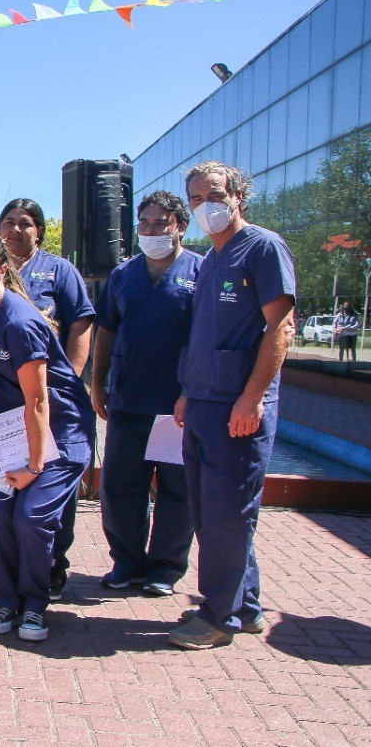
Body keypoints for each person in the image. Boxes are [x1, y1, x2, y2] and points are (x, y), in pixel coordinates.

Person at [169, 161, 295, 650]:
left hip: (237, 407)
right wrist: (188, 390)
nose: (207, 207)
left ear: (238, 195)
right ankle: (244, 604)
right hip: (204, 401)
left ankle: (219, 616)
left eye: (215, 195)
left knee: (227, 514)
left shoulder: (262, 248)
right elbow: (203, 333)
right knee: (211, 512)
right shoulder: (211, 259)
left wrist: (252, 396)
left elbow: (281, 327)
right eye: (196, 199)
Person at [0, 231, 95, 643]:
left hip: (58, 433)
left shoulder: (19, 321)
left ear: (3, 269)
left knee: (31, 516)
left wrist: (34, 466)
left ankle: (34, 605)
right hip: (9, 434)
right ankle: (8, 600)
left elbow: (37, 400)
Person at [0, 198, 95, 599]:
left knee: (48, 490)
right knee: (5, 485)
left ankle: (52, 565)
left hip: (51, 400)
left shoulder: (59, 271)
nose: (15, 230)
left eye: (25, 223)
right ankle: (1, 564)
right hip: (6, 402)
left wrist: (69, 379)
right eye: (8, 222)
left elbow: (81, 324)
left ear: (39, 231)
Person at [91, 191, 201, 598]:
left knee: (177, 490)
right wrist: (97, 383)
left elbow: (208, 338)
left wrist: (193, 391)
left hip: (177, 407)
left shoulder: (201, 272)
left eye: (161, 224)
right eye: (145, 224)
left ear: (180, 227)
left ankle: (165, 568)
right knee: (121, 487)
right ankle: (127, 562)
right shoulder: (123, 275)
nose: (152, 231)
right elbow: (106, 331)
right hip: (129, 402)